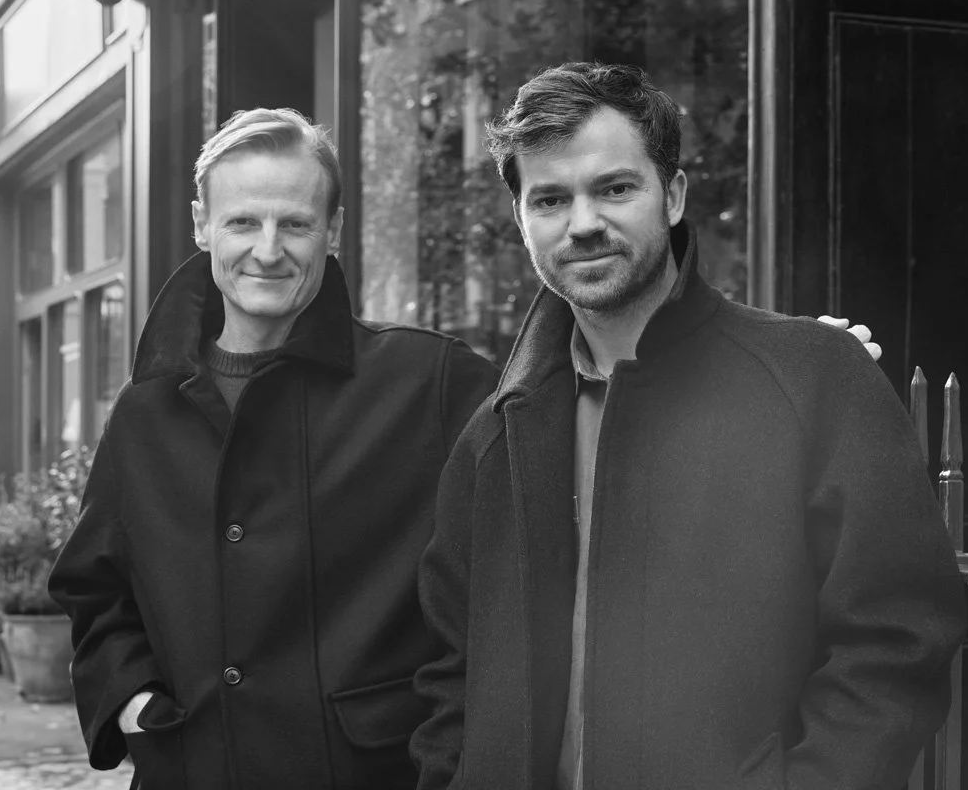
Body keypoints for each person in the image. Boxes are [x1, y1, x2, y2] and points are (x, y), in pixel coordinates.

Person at [48, 107, 884, 790]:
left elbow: (599, 404)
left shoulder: (428, 378)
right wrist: (132, 701)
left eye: (295, 222)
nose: (268, 249)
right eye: (243, 221)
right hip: (190, 771)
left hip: (366, 775)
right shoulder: (145, 412)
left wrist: (768, 361)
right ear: (203, 226)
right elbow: (95, 588)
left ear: (332, 230)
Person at [410, 62, 967, 790]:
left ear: (672, 196)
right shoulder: (494, 436)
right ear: (521, 220)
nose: (583, 223)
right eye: (550, 199)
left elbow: (896, 640)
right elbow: (451, 671)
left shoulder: (815, 377)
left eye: (615, 188)